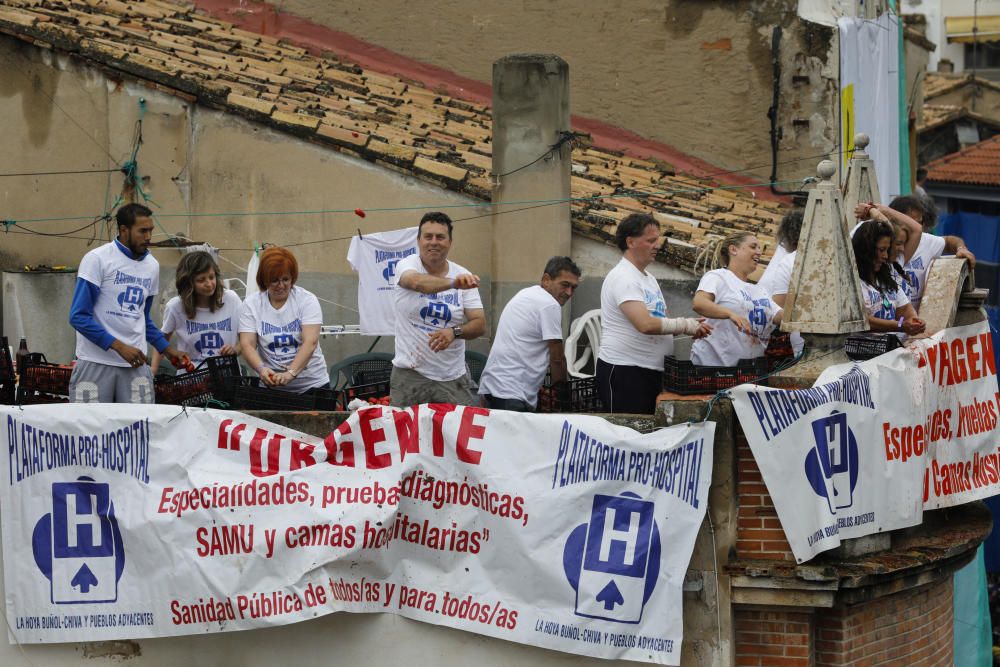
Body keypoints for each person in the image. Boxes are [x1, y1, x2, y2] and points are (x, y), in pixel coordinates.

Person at [68, 203, 189, 403]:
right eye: (142, 231)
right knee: (91, 431)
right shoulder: (97, 259)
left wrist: (167, 350)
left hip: (135, 366)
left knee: (137, 430)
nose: (149, 237)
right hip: (95, 362)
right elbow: (78, 317)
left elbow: (142, 318)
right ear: (123, 230)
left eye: (151, 230)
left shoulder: (152, 266)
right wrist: (118, 346)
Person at [597, 213, 711, 414]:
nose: (657, 245)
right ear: (630, 242)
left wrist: (692, 326)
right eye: (651, 240)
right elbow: (645, 325)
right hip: (626, 371)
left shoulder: (648, 278)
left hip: (651, 371)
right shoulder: (623, 277)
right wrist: (684, 325)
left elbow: (661, 323)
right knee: (629, 436)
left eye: (657, 240)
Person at [391, 211, 486, 406]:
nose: (434, 242)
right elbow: (417, 283)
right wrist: (453, 284)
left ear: (450, 242)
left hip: (452, 377)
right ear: (418, 241)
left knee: (457, 435)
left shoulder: (464, 274)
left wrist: (454, 332)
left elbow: (479, 324)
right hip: (410, 375)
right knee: (404, 435)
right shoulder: (406, 265)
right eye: (428, 236)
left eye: (440, 237)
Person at [478, 256, 581, 412]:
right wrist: (563, 400)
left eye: (573, 288)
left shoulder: (527, 294)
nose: (569, 292)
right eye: (565, 285)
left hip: (493, 387)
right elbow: (558, 358)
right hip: (512, 394)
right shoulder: (549, 304)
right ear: (546, 280)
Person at [239, 247, 329, 393]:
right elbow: (247, 344)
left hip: (312, 385)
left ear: (292, 278)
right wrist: (262, 369)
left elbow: (310, 342)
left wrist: (291, 373)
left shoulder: (307, 300)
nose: (281, 286)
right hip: (270, 386)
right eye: (274, 281)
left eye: (285, 279)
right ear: (264, 280)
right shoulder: (251, 304)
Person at [691, 232, 783, 367]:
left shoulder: (760, 290)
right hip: (712, 367)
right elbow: (699, 303)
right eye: (753, 247)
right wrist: (730, 314)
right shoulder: (718, 277)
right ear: (733, 249)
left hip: (748, 372)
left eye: (759, 248)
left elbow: (780, 316)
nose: (758, 252)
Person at [151, 251, 242, 374]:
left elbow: (248, 341)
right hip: (191, 381)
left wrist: (235, 349)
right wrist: (153, 372)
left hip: (227, 379)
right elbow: (161, 342)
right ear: (189, 283)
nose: (209, 284)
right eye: (201, 280)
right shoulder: (175, 306)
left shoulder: (232, 299)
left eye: (211, 277)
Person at [889, 195, 975, 311]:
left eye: (920, 222)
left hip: (913, 322)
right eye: (912, 224)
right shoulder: (884, 244)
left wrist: (961, 249)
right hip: (891, 318)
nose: (918, 228)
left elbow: (951, 241)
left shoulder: (926, 241)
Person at [851, 219, 925, 337]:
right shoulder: (851, 282)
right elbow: (860, 320)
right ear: (866, 249)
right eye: (881, 250)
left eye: (887, 250)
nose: (885, 256)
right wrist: (900, 325)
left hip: (891, 351)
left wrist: (914, 323)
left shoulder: (887, 279)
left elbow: (905, 312)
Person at [757, 210, 804, 356]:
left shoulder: (785, 260)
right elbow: (778, 307)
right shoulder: (788, 261)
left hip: (781, 332)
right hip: (784, 333)